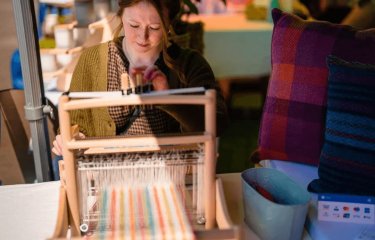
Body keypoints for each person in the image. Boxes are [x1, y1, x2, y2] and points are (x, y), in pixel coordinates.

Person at [51, 0, 228, 166]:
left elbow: (217, 123)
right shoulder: (93, 61)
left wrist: (170, 100)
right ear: (121, 15)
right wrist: (74, 137)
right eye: (134, 25)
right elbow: (75, 123)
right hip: (109, 179)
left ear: (168, 26)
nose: (142, 37)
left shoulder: (189, 65)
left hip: (173, 178)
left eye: (154, 27)